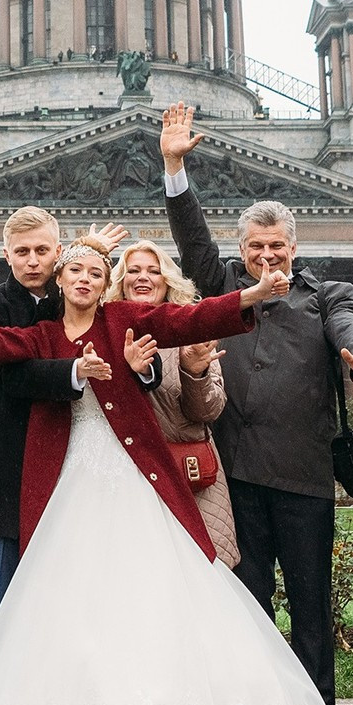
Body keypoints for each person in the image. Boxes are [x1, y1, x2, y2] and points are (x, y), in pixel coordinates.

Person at [0, 237, 346, 705]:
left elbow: (189, 318)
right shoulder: (43, 333)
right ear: (62, 280)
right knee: (67, 606)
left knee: (157, 591)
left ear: (105, 285)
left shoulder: (125, 319)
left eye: (96, 273)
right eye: (76, 270)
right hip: (70, 482)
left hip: (134, 478)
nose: (85, 279)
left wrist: (251, 294)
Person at [160, 102, 353, 705]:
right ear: (242, 249)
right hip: (233, 476)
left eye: (276, 246)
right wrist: (175, 168)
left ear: (293, 247)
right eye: (256, 247)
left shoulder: (328, 293)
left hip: (302, 475)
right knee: (247, 603)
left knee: (311, 606)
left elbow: (351, 326)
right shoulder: (221, 286)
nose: (267, 256)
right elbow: (192, 238)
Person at [0, 208, 127, 660]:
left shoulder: (71, 299)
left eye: (43, 251)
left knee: (59, 607)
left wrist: (86, 256)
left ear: (57, 253)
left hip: (68, 475)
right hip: (3, 477)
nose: (33, 261)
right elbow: (7, 377)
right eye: (23, 252)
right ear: (6, 254)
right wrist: (74, 370)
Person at [104, 240, 237, 566]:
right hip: (128, 476)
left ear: (168, 281)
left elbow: (208, 412)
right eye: (133, 270)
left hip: (188, 478)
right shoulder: (102, 332)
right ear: (120, 281)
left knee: (195, 577)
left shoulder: (192, 330)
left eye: (154, 271)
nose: (143, 277)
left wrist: (194, 371)